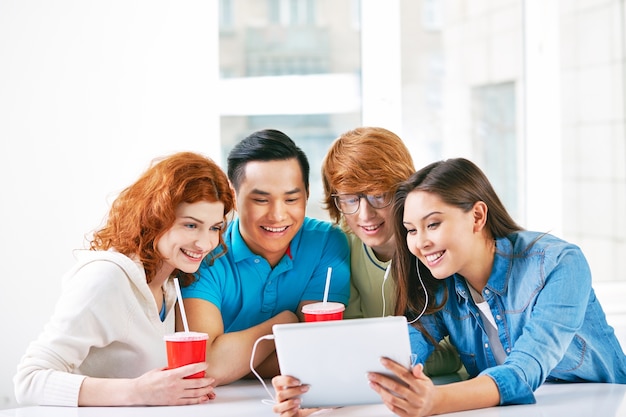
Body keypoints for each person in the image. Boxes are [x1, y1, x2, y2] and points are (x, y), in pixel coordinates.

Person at [363, 157, 626, 416]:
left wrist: (436, 400)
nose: (420, 243)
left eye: (432, 224)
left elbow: (524, 370)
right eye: (411, 230)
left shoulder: (559, 264)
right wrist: (384, 378)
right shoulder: (441, 286)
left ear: (477, 216)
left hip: (600, 405)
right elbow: (408, 348)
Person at [13, 151, 235, 407]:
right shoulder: (107, 278)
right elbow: (28, 381)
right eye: (190, 225)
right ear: (156, 216)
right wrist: (137, 392)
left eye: (215, 228)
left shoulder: (169, 284)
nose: (206, 242)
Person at [180, 129, 350, 386]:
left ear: (306, 193)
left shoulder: (327, 243)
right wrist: (286, 321)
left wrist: (234, 359)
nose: (278, 215)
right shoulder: (203, 250)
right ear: (233, 196)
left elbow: (315, 353)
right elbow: (206, 365)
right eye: (261, 200)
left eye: (291, 199)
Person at [320, 127, 461, 376]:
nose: (365, 215)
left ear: (404, 189)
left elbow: (457, 352)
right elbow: (347, 336)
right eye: (350, 199)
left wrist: (379, 361)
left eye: (378, 195)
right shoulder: (341, 246)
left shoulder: (434, 246)